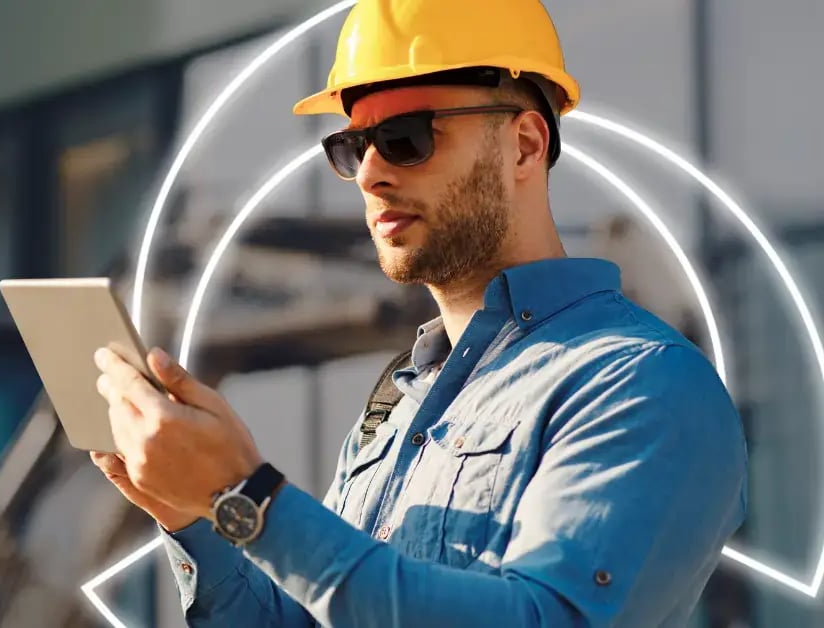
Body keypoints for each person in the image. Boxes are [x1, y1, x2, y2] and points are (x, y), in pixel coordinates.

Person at [91, 0, 748, 625]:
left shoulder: (642, 384)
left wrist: (251, 497)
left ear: (523, 145)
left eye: (406, 138)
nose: (371, 174)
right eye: (353, 147)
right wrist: (195, 513)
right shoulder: (398, 405)